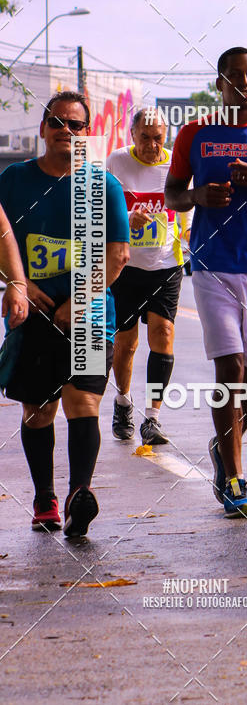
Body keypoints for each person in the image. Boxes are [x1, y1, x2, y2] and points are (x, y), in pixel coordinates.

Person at [165, 47, 247, 518]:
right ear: (219, 82)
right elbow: (173, 195)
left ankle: (224, 448)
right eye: (236, 75)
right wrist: (200, 194)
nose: (245, 82)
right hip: (211, 263)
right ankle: (236, 478)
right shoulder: (195, 133)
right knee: (231, 367)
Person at [0, 91, 129, 536]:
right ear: (43, 129)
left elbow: (117, 255)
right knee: (39, 409)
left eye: (76, 125)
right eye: (57, 122)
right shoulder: (14, 181)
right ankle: (45, 498)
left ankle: (79, 495)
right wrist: (23, 285)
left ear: (86, 133)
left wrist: (80, 300)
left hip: (90, 314)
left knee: (83, 401)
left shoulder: (103, 185)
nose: (65, 131)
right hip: (31, 315)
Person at [108, 110, 186, 445]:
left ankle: (152, 417)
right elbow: (100, 209)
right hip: (125, 267)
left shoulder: (176, 166)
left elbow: (185, 207)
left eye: (158, 137)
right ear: (132, 134)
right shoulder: (117, 162)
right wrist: (126, 218)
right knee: (126, 345)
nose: (153, 145)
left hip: (166, 264)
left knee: (163, 334)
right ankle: (123, 401)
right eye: (145, 137)